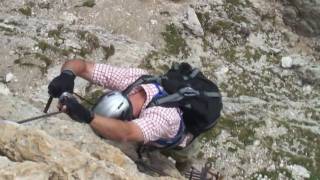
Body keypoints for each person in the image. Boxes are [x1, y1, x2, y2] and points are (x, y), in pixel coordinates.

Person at [48, 59, 199, 172]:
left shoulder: (162, 117)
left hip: (178, 139)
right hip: (151, 127)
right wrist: (67, 75)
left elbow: (127, 132)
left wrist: (88, 117)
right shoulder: (132, 79)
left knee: (182, 157)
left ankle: (183, 168)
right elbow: (83, 66)